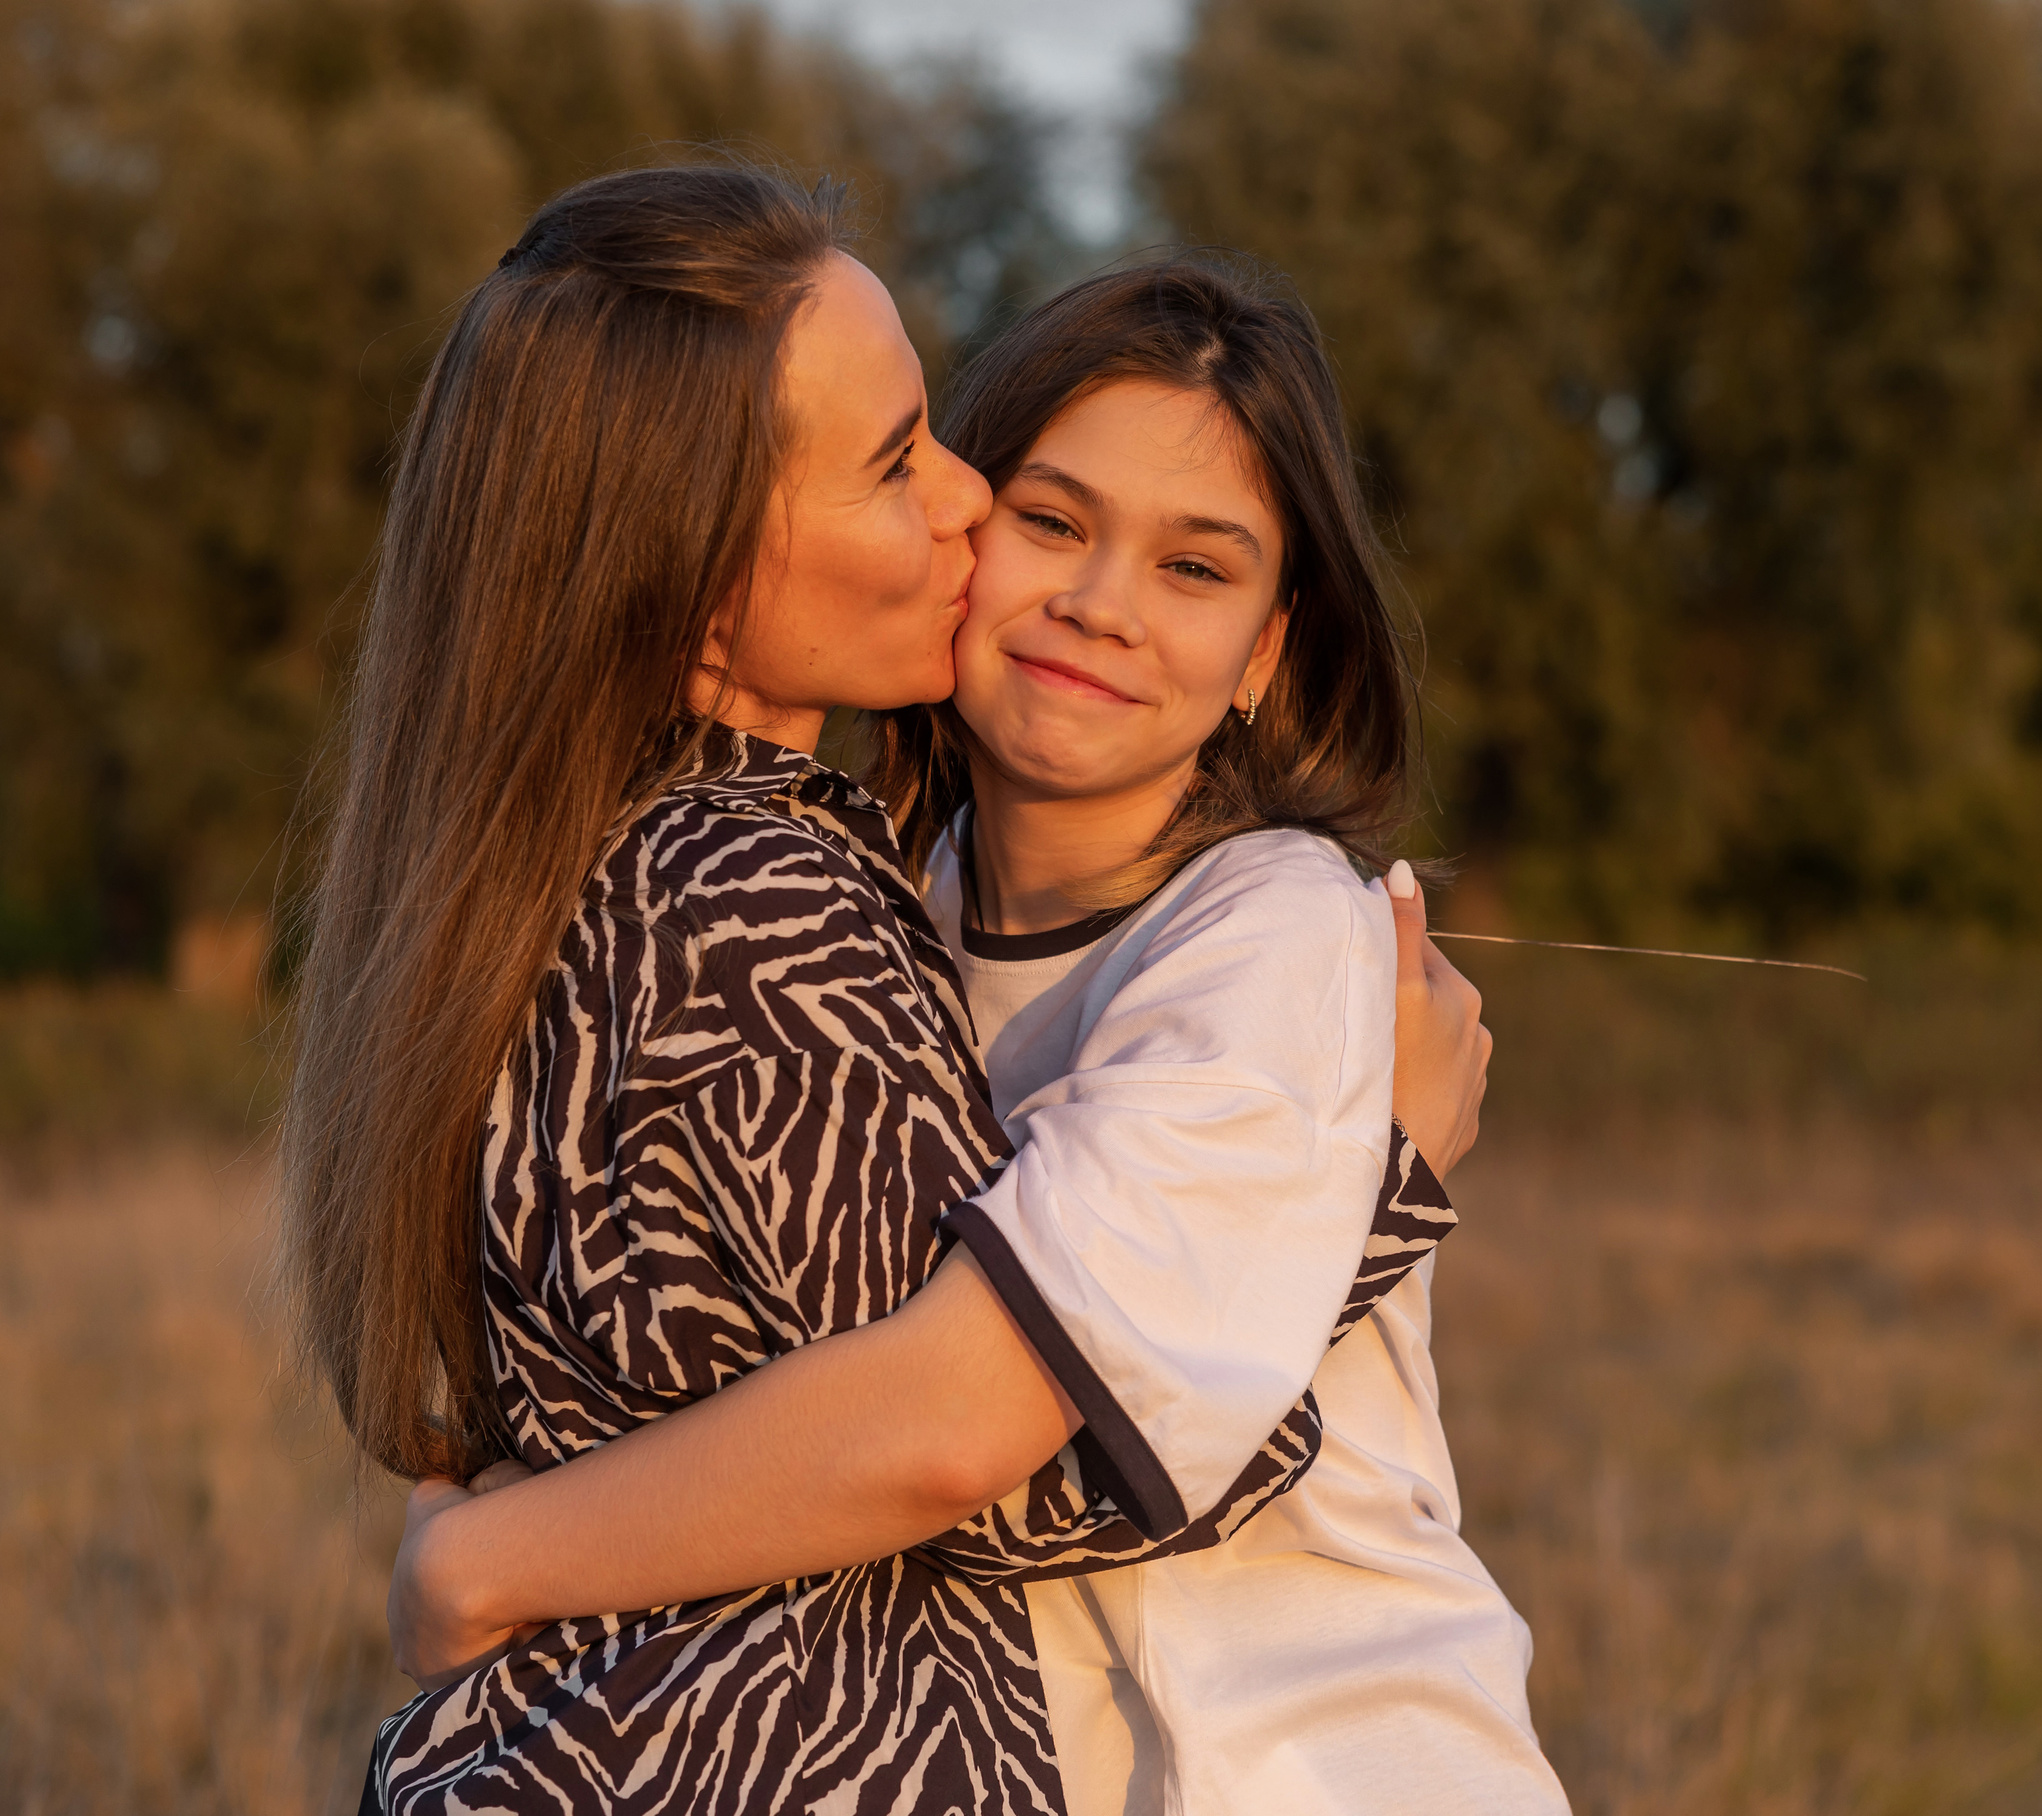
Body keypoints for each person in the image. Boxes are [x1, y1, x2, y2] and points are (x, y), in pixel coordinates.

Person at [280, 162, 1487, 1814]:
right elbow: (952, 1466)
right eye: (1020, 502)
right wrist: (1381, 1206)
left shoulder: (1261, 927)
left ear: (1272, 647)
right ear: (693, 560)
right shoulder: (782, 902)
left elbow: (906, 1448)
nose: (977, 519)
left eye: (1198, 568)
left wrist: (487, 1552)